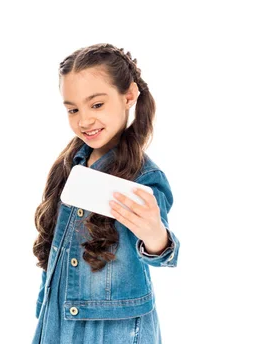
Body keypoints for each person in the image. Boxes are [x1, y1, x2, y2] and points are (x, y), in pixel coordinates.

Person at [32, 44, 179, 344]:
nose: (83, 120)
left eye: (96, 105)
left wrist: (155, 234)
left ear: (128, 96)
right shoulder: (68, 167)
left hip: (115, 331)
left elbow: (162, 254)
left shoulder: (145, 177)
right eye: (73, 109)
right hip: (59, 322)